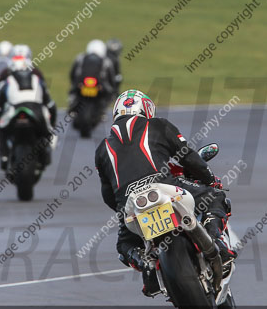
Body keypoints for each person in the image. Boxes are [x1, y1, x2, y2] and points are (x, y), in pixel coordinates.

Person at [94, 89, 236, 297]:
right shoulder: (158, 125)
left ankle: (145, 265)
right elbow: (188, 157)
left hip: (131, 203)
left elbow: (108, 194)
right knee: (214, 197)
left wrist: (123, 208)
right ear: (146, 110)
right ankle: (218, 242)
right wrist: (210, 180)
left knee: (124, 244)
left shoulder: (102, 148)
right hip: (164, 187)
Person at [0, 54, 57, 171]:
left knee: (1, 130)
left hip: (14, 111)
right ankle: (45, 154)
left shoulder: (6, 82)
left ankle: (4, 157)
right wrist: (52, 124)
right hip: (36, 111)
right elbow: (50, 105)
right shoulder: (38, 80)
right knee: (46, 132)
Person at [69, 39, 117, 108]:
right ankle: (104, 109)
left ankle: (72, 106)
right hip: (98, 86)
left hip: (84, 85)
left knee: (73, 91)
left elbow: (72, 74)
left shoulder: (80, 57)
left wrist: (75, 84)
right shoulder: (106, 61)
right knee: (109, 93)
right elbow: (111, 79)